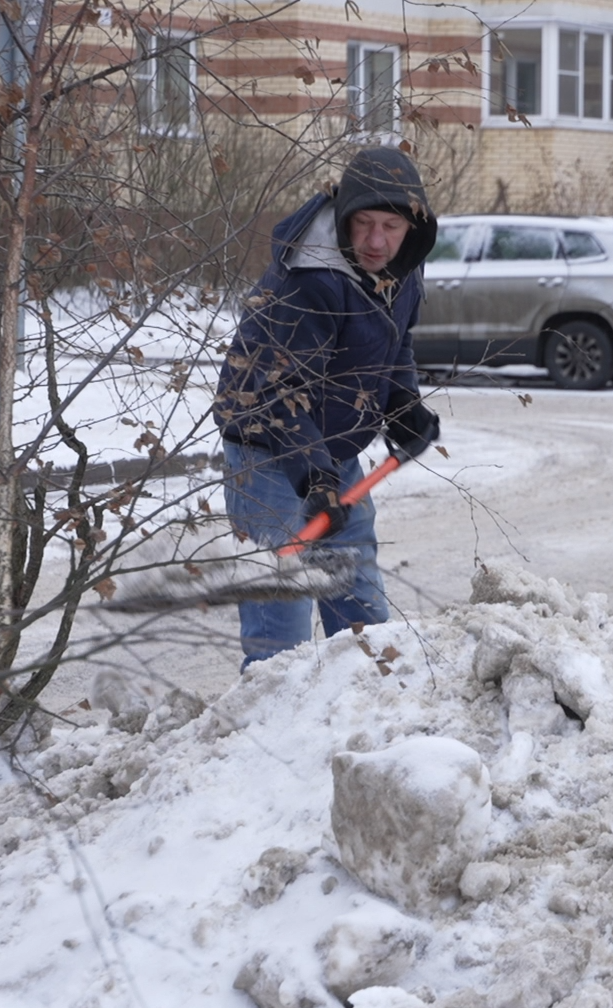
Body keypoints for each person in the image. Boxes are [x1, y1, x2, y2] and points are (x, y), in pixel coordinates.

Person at [212, 146, 440, 666]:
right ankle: (267, 732)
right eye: (363, 223)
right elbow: (276, 390)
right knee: (282, 642)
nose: (376, 241)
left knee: (363, 618)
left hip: (334, 449)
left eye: (391, 226)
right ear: (343, 217)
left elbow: (393, 342)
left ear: (414, 226)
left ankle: (358, 720)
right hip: (268, 453)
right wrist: (314, 479)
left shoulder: (400, 268)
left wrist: (403, 404)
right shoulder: (310, 278)